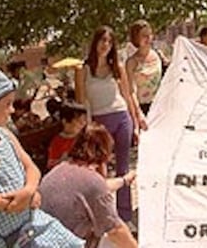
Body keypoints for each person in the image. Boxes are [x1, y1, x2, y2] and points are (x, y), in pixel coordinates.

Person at [0, 69, 84, 247]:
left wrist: (29, 190)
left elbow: (31, 167)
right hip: (3, 237)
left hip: (30, 223)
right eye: (7, 104)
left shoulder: (5, 134)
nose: (12, 110)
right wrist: (15, 200)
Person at [75, 25, 138, 224]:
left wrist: (135, 123)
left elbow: (127, 96)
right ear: (95, 43)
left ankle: (124, 215)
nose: (106, 45)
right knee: (99, 171)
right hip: (99, 123)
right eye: (102, 40)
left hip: (121, 118)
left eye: (110, 42)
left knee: (123, 168)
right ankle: (102, 215)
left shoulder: (117, 68)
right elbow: (82, 101)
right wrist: (87, 127)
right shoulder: (82, 70)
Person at [39, 122, 138, 248]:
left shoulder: (60, 170)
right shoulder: (93, 181)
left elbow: (97, 188)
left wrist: (124, 180)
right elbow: (115, 230)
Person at [126, 19, 162, 117]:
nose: (148, 38)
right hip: (142, 108)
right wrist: (138, 113)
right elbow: (131, 91)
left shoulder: (158, 55)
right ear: (136, 38)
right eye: (143, 35)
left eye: (149, 34)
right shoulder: (132, 62)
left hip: (160, 106)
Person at [47, 101, 87, 170]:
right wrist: (62, 161)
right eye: (78, 121)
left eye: (83, 120)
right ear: (65, 121)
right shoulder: (57, 142)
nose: (82, 124)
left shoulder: (85, 137)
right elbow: (50, 164)